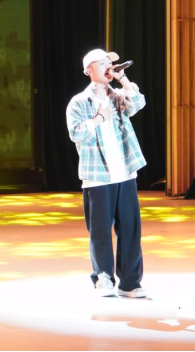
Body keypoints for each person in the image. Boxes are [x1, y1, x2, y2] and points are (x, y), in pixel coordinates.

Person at [66, 48, 147, 298]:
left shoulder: (118, 96)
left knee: (130, 229)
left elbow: (139, 103)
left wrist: (123, 78)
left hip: (125, 173)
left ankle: (130, 283)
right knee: (100, 231)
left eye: (108, 63)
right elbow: (75, 133)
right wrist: (99, 118)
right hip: (97, 176)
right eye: (101, 63)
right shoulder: (79, 102)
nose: (107, 67)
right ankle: (103, 278)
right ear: (89, 71)